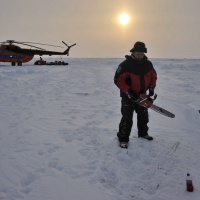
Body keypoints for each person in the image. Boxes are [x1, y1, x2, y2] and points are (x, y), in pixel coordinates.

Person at [114, 41, 157, 147]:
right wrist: (128, 91)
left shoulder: (148, 64)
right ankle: (123, 139)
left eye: (142, 54)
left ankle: (143, 134)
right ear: (133, 52)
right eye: (138, 54)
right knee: (127, 118)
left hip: (142, 95)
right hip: (128, 96)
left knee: (143, 116)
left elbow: (153, 76)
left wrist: (151, 87)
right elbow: (118, 80)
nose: (140, 56)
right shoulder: (125, 65)